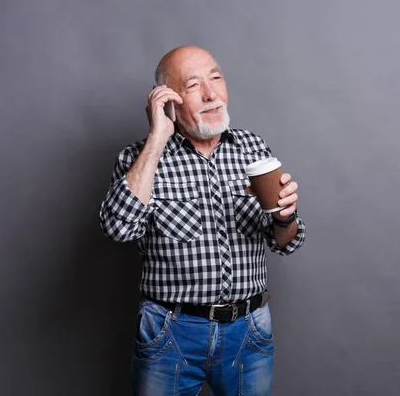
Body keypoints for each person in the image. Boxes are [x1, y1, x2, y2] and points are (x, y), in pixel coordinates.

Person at [99, 45, 306, 396]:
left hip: (249, 332)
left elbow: (284, 242)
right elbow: (118, 228)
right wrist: (157, 139)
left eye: (216, 78)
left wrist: (285, 218)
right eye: (193, 85)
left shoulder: (253, 149)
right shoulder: (139, 158)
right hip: (171, 333)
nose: (212, 94)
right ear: (168, 100)